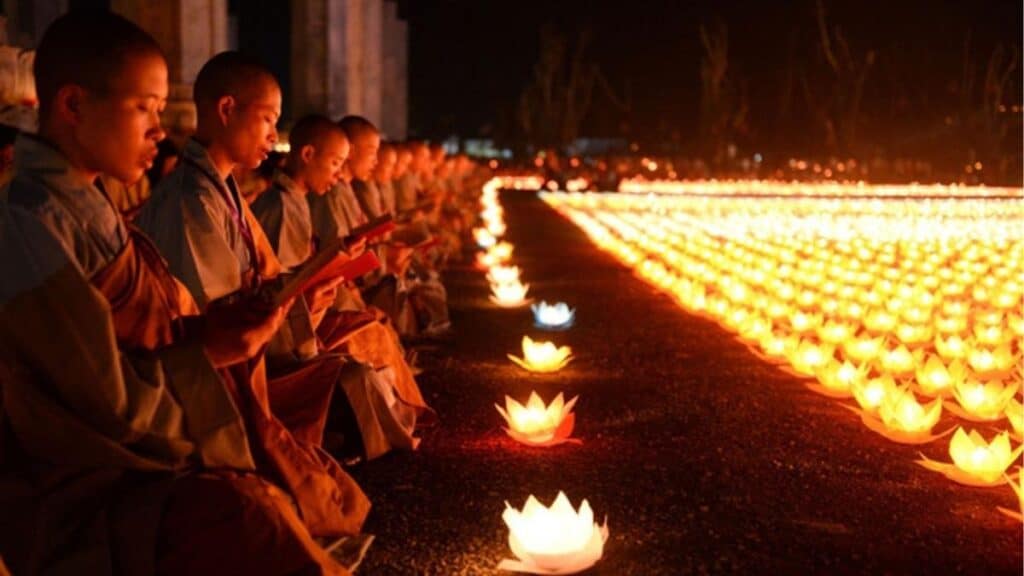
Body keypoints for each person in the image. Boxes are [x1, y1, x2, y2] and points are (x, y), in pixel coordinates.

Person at [0, 12, 365, 575]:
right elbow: (106, 400)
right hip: (94, 479)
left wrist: (234, 325)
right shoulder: (32, 223)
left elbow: (165, 322)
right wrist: (215, 349)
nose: (159, 130)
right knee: (253, 513)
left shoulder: (87, 203)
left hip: (161, 419)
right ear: (73, 106)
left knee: (280, 486)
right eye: (144, 108)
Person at [137, 55, 424, 461]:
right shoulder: (192, 201)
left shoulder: (221, 191)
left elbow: (262, 283)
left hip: (263, 348)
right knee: (352, 376)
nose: (274, 136)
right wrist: (301, 302)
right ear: (226, 110)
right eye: (269, 119)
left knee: (359, 362)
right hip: (223, 375)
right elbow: (218, 319)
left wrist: (310, 292)